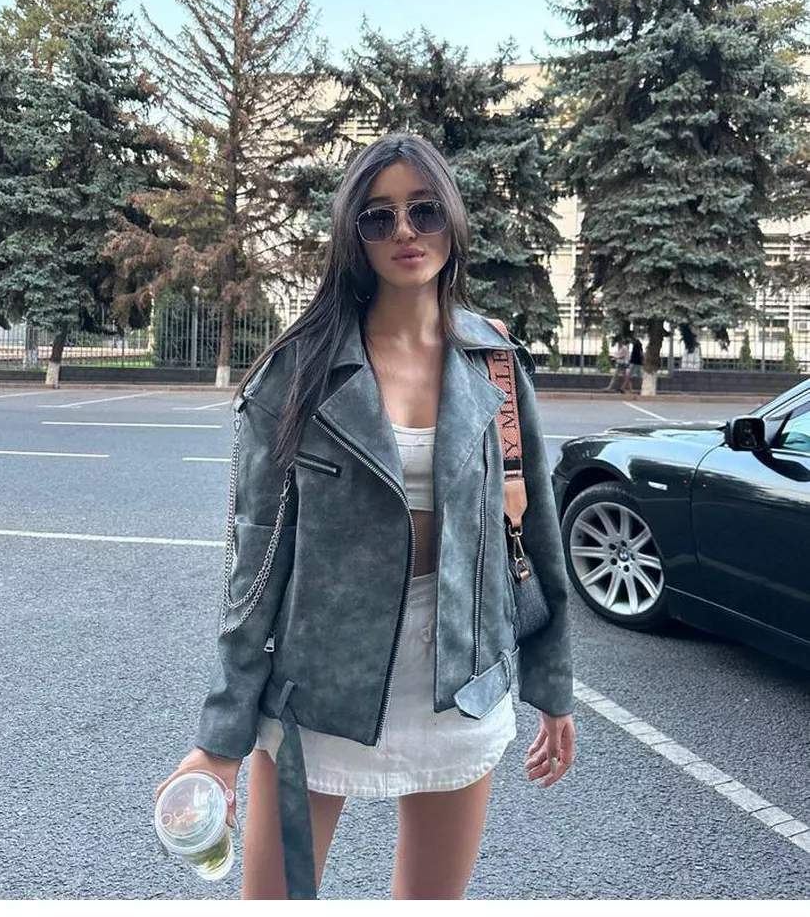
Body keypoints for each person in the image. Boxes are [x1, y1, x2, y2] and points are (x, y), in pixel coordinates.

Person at [156, 133, 575, 900]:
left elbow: (532, 526)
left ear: (452, 218)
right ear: (354, 235)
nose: (405, 231)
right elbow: (254, 569)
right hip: (320, 687)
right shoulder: (298, 371)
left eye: (424, 209)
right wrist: (220, 740)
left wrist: (552, 681)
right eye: (379, 217)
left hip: (461, 681)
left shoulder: (494, 361)